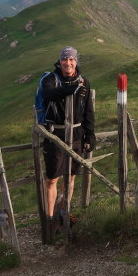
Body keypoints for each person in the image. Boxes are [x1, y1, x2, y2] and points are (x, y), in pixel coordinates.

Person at [40, 46, 96, 227]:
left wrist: (90, 135)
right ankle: (50, 220)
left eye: (71, 59)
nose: (68, 63)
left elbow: (88, 111)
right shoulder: (50, 79)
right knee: (51, 179)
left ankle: (64, 213)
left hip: (77, 134)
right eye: (65, 59)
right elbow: (48, 94)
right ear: (60, 61)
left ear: (76, 61)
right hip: (55, 134)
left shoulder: (84, 82)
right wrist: (70, 89)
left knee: (71, 177)